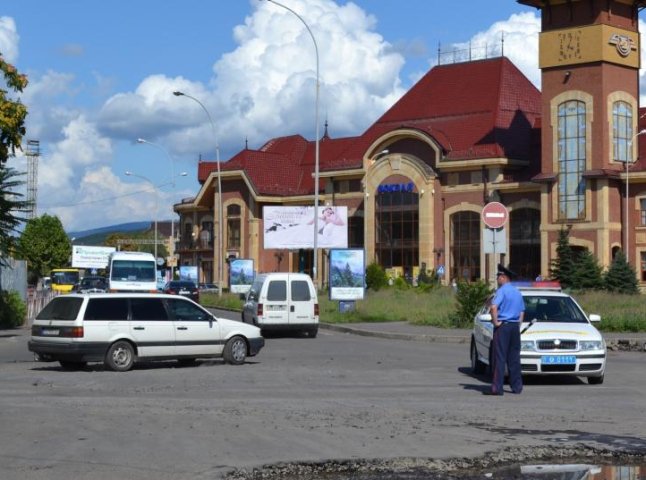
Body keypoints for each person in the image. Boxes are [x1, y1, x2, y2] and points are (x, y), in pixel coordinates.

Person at [485, 263, 525, 396]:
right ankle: (517, 387)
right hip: (514, 327)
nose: (497, 279)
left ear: (503, 277)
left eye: (498, 276)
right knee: (514, 358)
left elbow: (493, 307)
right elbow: (521, 312)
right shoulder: (517, 292)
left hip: (503, 327)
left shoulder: (501, 291)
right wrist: (517, 325)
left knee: (499, 358)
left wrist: (496, 322)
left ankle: (497, 388)